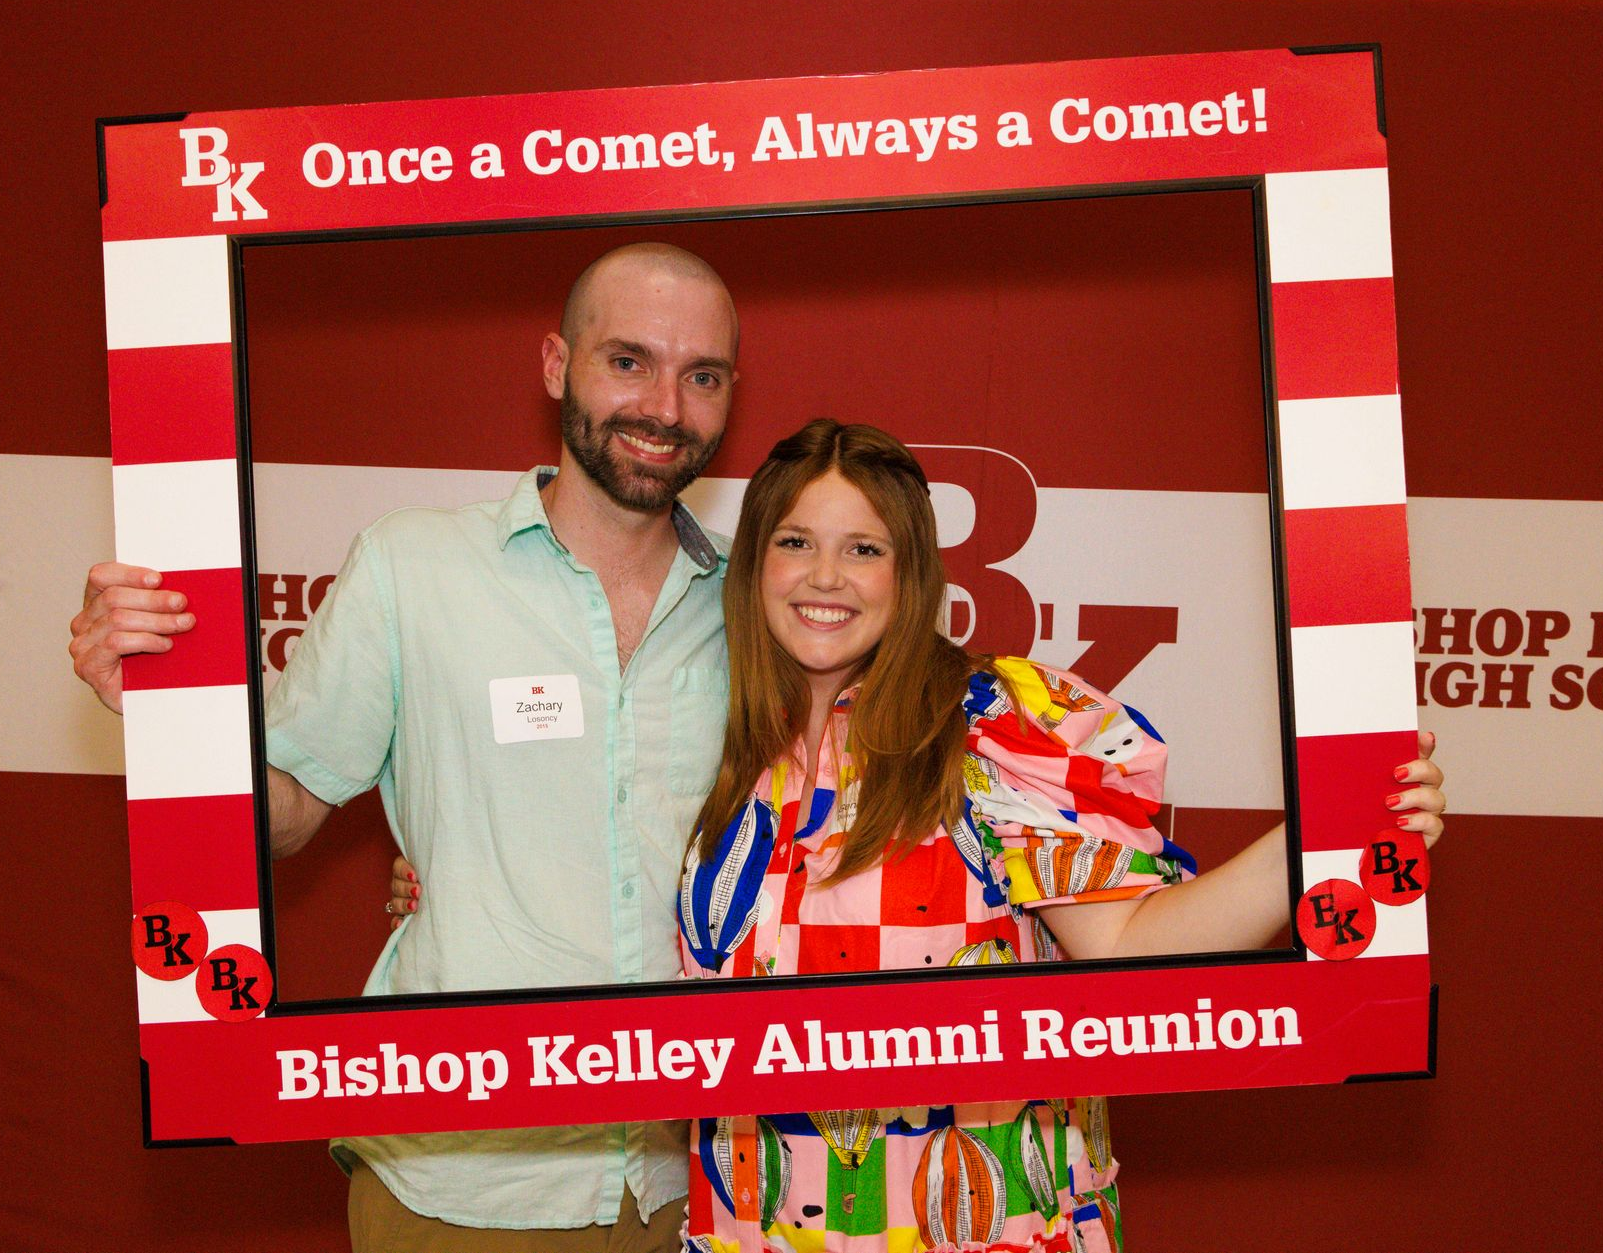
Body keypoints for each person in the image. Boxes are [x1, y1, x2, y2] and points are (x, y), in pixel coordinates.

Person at [394, 420, 1447, 1252]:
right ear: (752, 561)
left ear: (911, 575)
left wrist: (1314, 841)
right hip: (754, 1230)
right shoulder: (722, 748)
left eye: (864, 548)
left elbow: (1131, 950)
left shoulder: (987, 724)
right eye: (796, 542)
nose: (824, 576)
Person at [70, 242, 743, 1251]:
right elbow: (288, 806)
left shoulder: (759, 604)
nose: (664, 407)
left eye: (703, 376)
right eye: (629, 361)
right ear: (558, 364)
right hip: (459, 1183)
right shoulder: (412, 566)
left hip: (697, 1184)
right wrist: (174, 717)